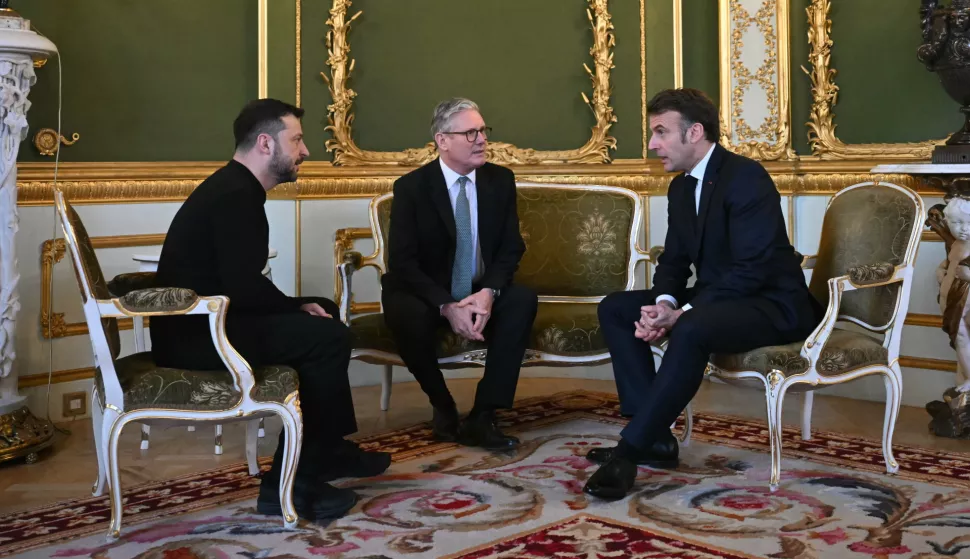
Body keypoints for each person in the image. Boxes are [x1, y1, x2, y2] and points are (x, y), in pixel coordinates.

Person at [150, 98, 390, 521]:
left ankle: (326, 450)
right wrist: (296, 308)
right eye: (296, 140)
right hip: (199, 336)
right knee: (328, 335)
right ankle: (290, 483)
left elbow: (238, 284)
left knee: (324, 312)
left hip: (208, 322)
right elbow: (242, 286)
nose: (305, 151)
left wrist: (299, 306)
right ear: (265, 143)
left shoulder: (234, 188)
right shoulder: (236, 196)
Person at [583, 88, 824, 500]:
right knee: (617, 309)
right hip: (720, 300)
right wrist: (663, 304)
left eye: (661, 132)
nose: (652, 143)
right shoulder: (680, 188)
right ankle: (655, 438)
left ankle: (629, 452)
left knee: (692, 326)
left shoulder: (746, 177)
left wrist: (683, 313)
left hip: (773, 304)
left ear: (694, 132)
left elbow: (752, 269)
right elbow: (674, 261)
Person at [381, 98, 538, 450]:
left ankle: (484, 415)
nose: (481, 139)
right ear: (442, 140)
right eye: (470, 133)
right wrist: (447, 306)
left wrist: (489, 292)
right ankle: (443, 405)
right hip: (427, 291)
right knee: (403, 310)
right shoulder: (412, 188)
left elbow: (511, 248)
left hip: (480, 288)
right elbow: (403, 262)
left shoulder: (500, 180)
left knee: (522, 300)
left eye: (483, 131)